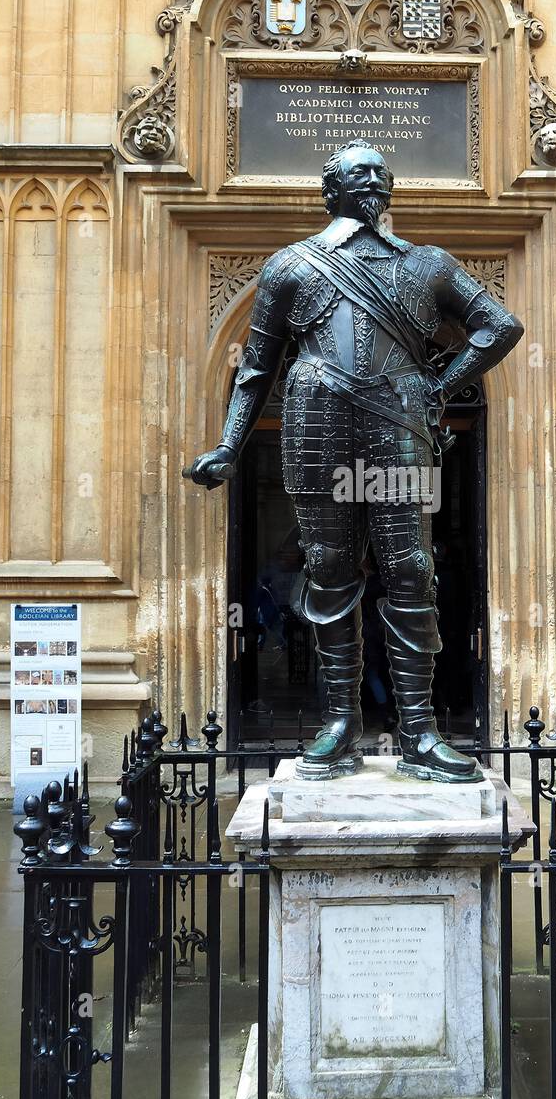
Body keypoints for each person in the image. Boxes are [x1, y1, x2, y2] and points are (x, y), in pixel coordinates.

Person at [186, 139, 523, 782]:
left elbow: (499, 325)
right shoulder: (291, 266)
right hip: (316, 423)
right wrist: (229, 446)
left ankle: (418, 730)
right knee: (330, 567)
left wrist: (439, 386)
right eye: (357, 172)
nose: (372, 180)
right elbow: (256, 369)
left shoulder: (427, 264)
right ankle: (339, 723)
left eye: (380, 172)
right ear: (331, 189)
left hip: (398, 422)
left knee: (411, 568)